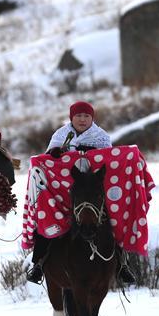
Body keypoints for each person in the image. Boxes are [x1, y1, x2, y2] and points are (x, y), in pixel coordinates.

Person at [26, 101, 134, 285]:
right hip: (64, 190)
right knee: (47, 215)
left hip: (92, 190)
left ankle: (122, 265)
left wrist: (93, 153)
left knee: (114, 219)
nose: (82, 120)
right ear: (71, 118)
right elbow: (47, 162)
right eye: (78, 116)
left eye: (86, 116)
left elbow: (109, 160)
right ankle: (38, 263)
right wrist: (55, 154)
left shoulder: (101, 137)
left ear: (92, 118)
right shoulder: (60, 135)